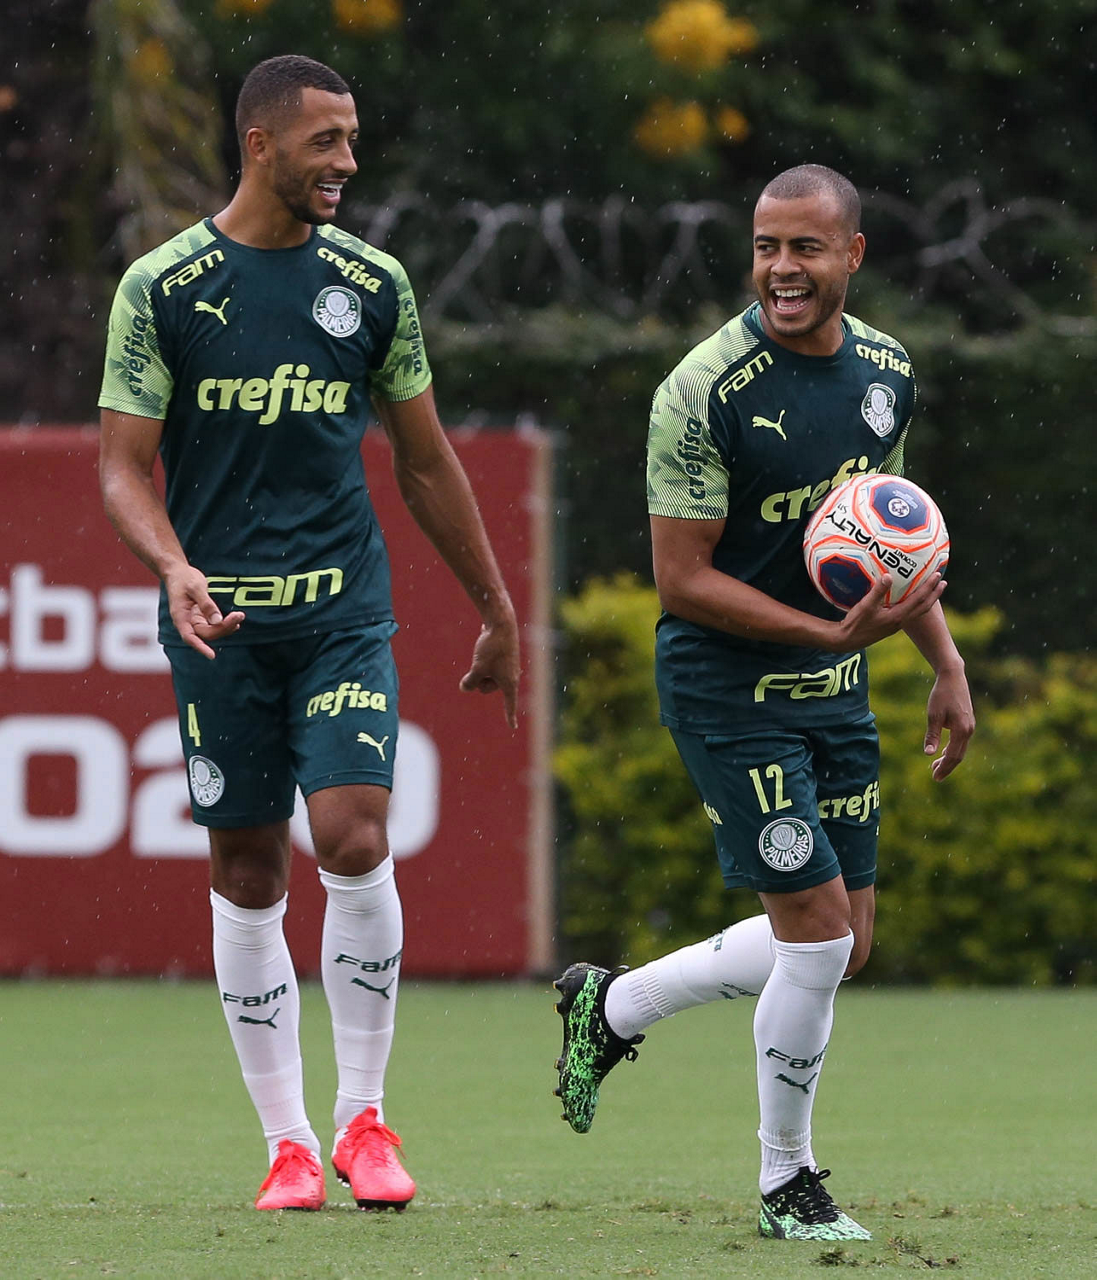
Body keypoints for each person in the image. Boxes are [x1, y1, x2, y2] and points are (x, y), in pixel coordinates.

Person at [98, 54, 519, 1212]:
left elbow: (424, 461)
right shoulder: (162, 287)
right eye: (325, 140)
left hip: (341, 613)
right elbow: (123, 470)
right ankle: (286, 1142)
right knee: (246, 865)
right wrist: (174, 566)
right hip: (220, 624)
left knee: (352, 832)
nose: (347, 161)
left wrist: (495, 606)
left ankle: (363, 1118)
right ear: (260, 144)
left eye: (351, 138)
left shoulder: (371, 285)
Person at [552, 164, 974, 1242]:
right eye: (765, 247)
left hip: (834, 692)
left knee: (845, 942)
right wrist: (824, 635)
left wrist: (944, 661)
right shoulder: (702, 389)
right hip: (725, 694)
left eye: (804, 249)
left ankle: (613, 1005)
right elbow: (681, 580)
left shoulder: (885, 372)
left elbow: (892, 540)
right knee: (818, 936)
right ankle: (787, 1181)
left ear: (852, 255)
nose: (781, 269)